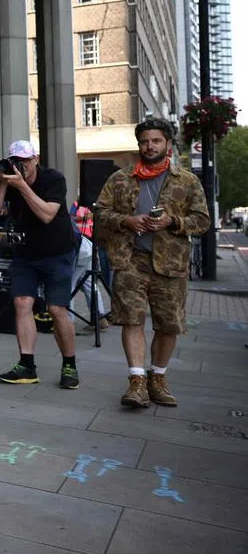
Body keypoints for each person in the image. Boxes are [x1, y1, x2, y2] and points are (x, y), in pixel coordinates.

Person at [95, 118, 209, 409]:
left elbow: (202, 221)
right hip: (130, 258)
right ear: (139, 144)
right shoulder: (119, 179)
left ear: (168, 144)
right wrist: (127, 221)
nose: (150, 146)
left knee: (168, 324)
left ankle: (157, 378)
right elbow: (100, 214)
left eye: (156, 141)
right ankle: (136, 382)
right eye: (145, 141)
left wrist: (174, 221)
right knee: (131, 318)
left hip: (170, 263)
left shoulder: (187, 180)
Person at [0, 141, 79, 389]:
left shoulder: (53, 179)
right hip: (25, 254)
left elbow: (47, 214)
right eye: (16, 160)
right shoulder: (8, 180)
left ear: (36, 159)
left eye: (25, 160)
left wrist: (22, 186)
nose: (21, 165)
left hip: (57, 251)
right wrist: (5, 183)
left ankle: (69, 365)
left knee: (56, 309)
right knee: (22, 302)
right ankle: (26, 365)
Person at [71, 201, 111, 331]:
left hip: (81, 249)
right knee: (89, 284)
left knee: (68, 285)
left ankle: (67, 321)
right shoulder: (76, 204)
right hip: (86, 247)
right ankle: (99, 317)